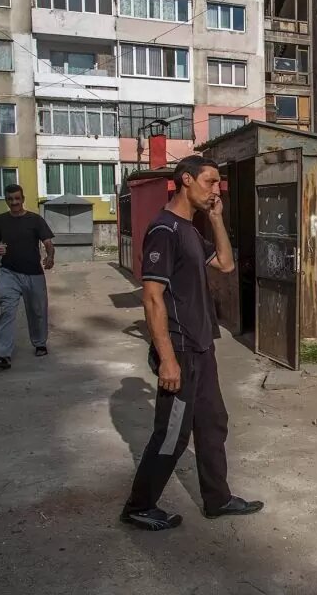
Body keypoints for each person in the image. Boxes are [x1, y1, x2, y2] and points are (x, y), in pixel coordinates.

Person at [120, 155, 263, 531]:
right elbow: (151, 297)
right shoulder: (164, 230)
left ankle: (217, 499)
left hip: (203, 345)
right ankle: (139, 505)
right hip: (180, 348)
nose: (216, 190)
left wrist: (216, 219)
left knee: (213, 422)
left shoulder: (190, 230)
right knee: (173, 433)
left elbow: (227, 265)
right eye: (211, 182)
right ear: (186, 180)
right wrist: (167, 359)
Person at [0, 184, 55, 370]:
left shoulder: (35, 220)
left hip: (33, 273)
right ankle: (3, 355)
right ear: (6, 200)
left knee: (38, 310)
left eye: (17, 198)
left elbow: (48, 242)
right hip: (9, 272)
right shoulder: (0, 220)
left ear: (23, 199)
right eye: (10, 199)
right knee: (7, 310)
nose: (14, 202)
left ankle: (40, 342)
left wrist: (50, 256)